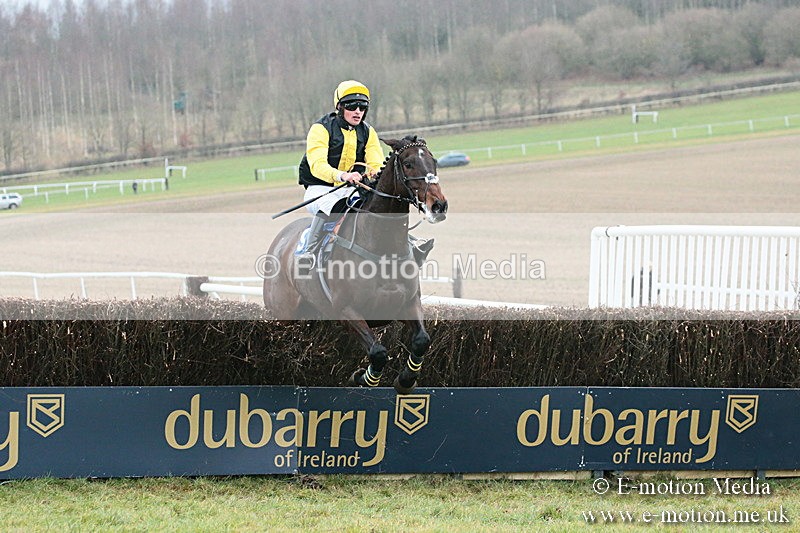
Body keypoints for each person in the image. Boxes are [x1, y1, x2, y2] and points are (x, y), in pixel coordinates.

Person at [297, 80, 384, 259]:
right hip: (319, 189)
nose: (358, 111)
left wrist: (374, 173)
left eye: (362, 106)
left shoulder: (368, 132)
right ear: (340, 107)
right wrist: (342, 175)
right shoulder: (321, 129)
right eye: (352, 106)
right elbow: (317, 165)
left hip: (350, 189)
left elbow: (376, 162)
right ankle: (309, 250)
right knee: (335, 206)